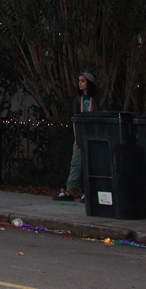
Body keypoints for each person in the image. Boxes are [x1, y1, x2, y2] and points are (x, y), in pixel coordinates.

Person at [54, 72, 107, 202]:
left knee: (93, 164)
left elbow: (104, 118)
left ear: (89, 82)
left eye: (83, 81)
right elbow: (75, 120)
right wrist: (77, 137)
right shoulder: (79, 99)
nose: (80, 83)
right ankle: (69, 190)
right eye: (79, 81)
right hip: (81, 135)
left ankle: (89, 191)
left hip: (94, 136)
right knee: (76, 163)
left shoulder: (99, 98)